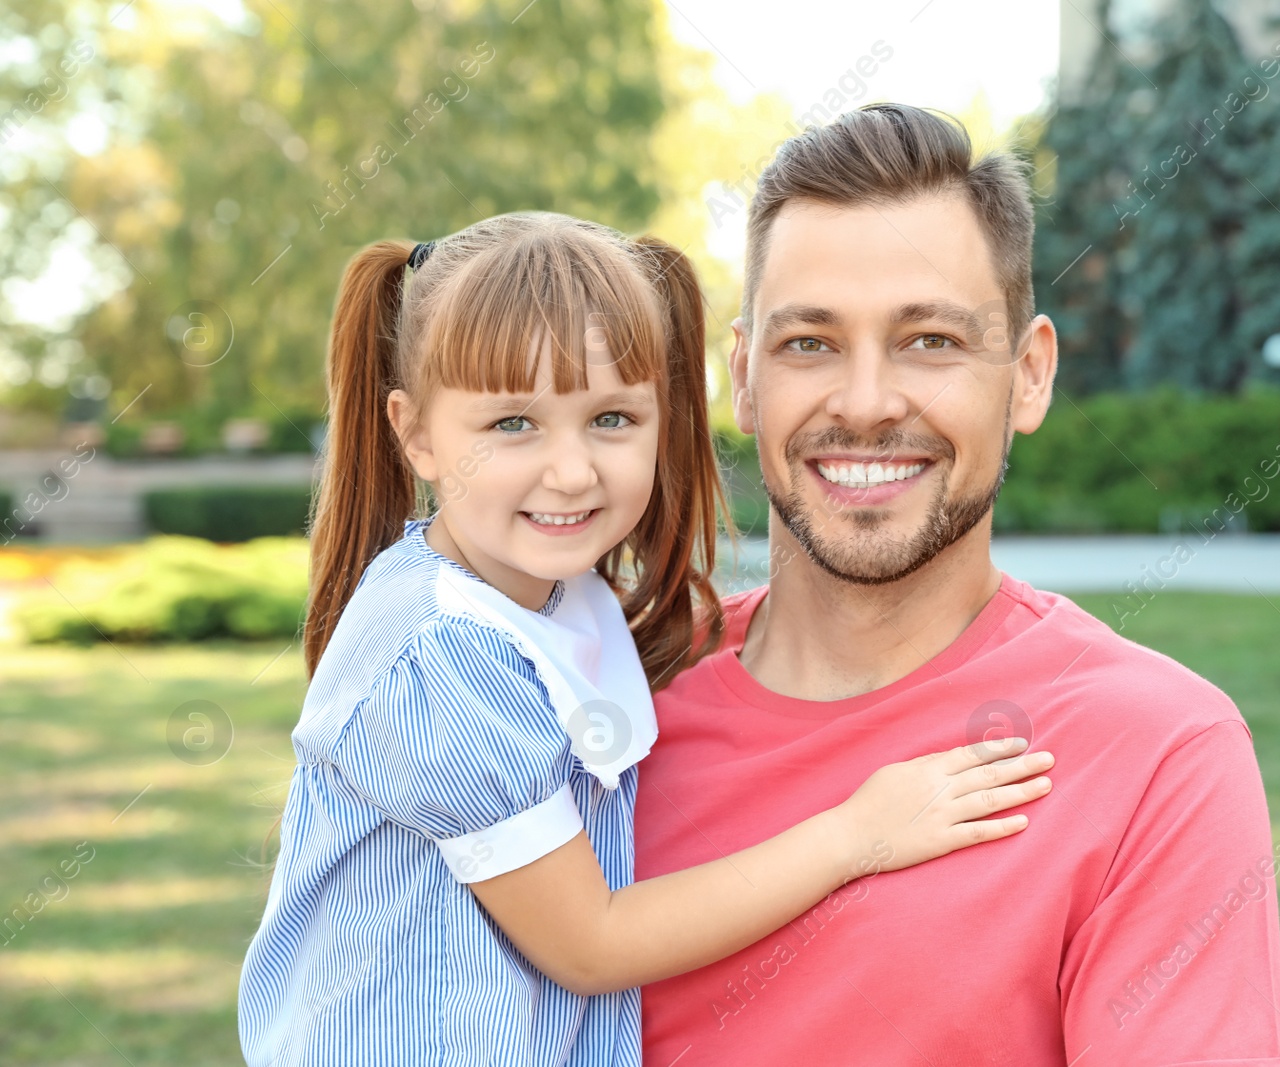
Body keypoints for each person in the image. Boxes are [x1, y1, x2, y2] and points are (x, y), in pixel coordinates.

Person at [236, 211, 1056, 1066]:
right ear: (416, 432)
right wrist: (857, 833)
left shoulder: (552, 596)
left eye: (612, 419)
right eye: (512, 424)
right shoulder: (438, 657)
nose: (572, 469)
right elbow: (591, 944)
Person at [634, 105, 1280, 1065]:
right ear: (742, 377)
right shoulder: (603, 704)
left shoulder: (1159, 755)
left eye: (930, 341)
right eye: (808, 344)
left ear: (1028, 376)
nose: (864, 403)